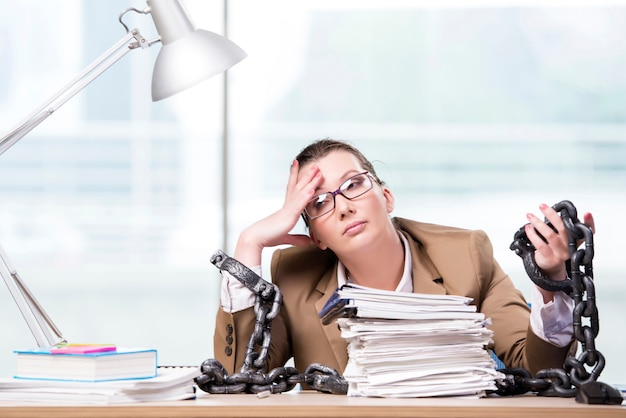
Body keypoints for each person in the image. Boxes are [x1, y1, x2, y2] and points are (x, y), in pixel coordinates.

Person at [214, 138, 594, 380]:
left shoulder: (465, 255)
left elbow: (538, 369)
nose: (343, 207)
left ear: (387, 197)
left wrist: (551, 284)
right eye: (318, 202)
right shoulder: (292, 275)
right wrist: (249, 244)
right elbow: (238, 378)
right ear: (315, 236)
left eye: (353, 184)